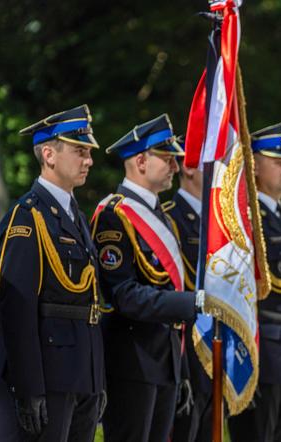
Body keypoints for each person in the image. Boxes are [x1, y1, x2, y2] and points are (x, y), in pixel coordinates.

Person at [92, 114, 204, 442]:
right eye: (167, 158)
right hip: (132, 360)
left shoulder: (163, 218)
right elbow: (123, 294)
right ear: (141, 161)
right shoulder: (115, 214)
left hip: (166, 358)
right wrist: (191, 302)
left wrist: (180, 369)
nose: (175, 165)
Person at [0, 105, 105, 441]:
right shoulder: (27, 218)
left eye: (88, 153)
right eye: (79, 151)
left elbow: (90, 305)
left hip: (80, 378)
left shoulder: (75, 216)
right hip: (49, 379)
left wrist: (96, 381)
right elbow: (16, 312)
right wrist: (28, 388)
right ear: (49, 154)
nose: (88, 160)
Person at [227, 121, 281, 442]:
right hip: (264, 350)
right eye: (280, 162)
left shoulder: (278, 217)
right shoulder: (248, 218)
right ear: (255, 165)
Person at [167, 156, 212, 442]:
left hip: (215, 338)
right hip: (187, 340)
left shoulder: (217, 222)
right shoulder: (170, 217)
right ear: (189, 167)